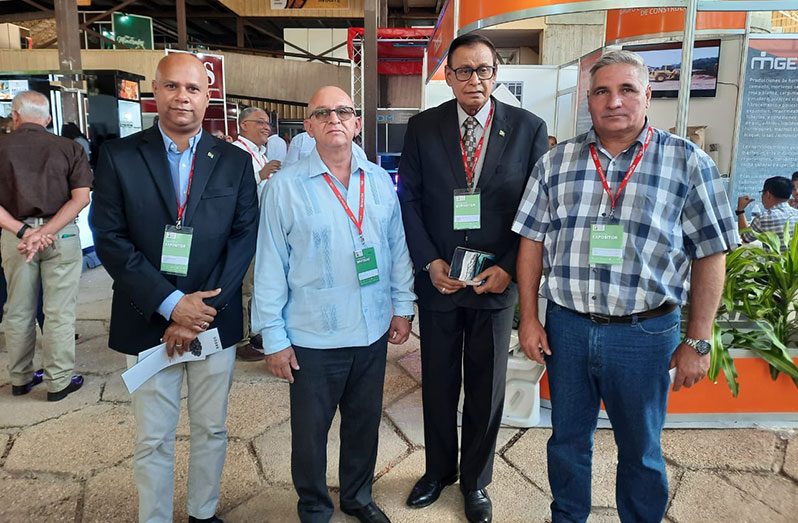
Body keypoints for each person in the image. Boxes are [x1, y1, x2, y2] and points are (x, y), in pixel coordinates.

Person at [512, 50, 738, 523]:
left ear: (648, 96)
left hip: (646, 335)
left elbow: (711, 253)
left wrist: (698, 339)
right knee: (567, 441)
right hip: (568, 330)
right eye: (601, 91)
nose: (614, 101)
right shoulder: (555, 163)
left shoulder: (688, 162)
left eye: (627, 89)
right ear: (588, 101)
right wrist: (530, 318)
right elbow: (531, 242)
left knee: (641, 449)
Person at [90, 53, 259, 523]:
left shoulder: (233, 161)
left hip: (212, 317)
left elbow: (244, 238)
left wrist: (199, 310)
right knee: (153, 436)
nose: (182, 97)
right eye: (171, 87)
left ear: (208, 97)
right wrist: (170, 305)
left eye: (193, 88)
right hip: (146, 317)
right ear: (155, 92)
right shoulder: (120, 156)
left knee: (211, 428)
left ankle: (203, 513)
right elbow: (110, 238)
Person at [398, 34, 548, 523]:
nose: (473, 79)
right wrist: (429, 262)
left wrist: (508, 266)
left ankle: (476, 481)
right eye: (462, 70)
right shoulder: (422, 128)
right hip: (441, 281)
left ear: (496, 72)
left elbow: (535, 210)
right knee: (438, 381)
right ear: (447, 75)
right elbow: (410, 200)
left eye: (482, 69)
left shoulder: (528, 128)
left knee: (486, 388)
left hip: (495, 283)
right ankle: (437, 470)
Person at [252, 86, 415, 523]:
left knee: (363, 424)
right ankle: (314, 506)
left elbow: (396, 248)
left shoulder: (380, 181)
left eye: (343, 111)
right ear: (309, 127)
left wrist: (403, 306)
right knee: (310, 434)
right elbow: (269, 266)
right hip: (311, 337)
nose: (334, 119)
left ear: (357, 123)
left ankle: (358, 498)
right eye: (322, 113)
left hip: (372, 329)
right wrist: (273, 338)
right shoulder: (283, 188)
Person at [0, 91, 90, 401]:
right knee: (58, 311)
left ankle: (20, 378)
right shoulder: (69, 148)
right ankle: (58, 381)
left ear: (15, 116)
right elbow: (81, 198)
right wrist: (46, 230)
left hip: (16, 238)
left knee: (17, 309)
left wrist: (25, 231)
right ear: (48, 119)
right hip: (61, 236)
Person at [232, 107, 280, 361]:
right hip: (245, 230)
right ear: (243, 125)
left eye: (268, 123)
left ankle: (253, 331)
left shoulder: (260, 154)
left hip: (262, 228)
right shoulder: (236, 154)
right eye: (260, 122)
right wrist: (259, 176)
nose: (266, 127)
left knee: (258, 284)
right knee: (245, 287)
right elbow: (230, 190)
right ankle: (240, 340)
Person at [737, 176, 798, 249]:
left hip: (775, 260)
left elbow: (745, 237)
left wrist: (740, 210)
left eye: (762, 192)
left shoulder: (763, 218)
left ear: (768, 194)